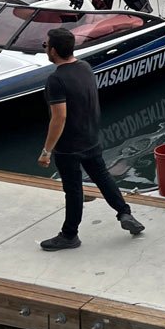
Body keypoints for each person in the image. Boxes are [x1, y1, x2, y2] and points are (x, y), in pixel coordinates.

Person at [37, 27, 145, 250]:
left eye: (46, 46)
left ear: (54, 51)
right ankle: (124, 212)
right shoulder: (85, 68)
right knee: (102, 177)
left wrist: (47, 150)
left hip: (69, 145)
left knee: (74, 189)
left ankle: (69, 235)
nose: (46, 49)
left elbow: (59, 116)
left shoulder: (56, 80)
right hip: (91, 137)